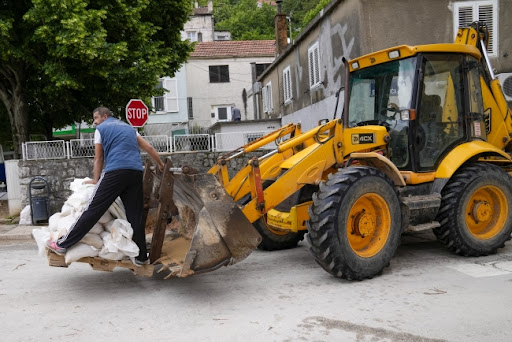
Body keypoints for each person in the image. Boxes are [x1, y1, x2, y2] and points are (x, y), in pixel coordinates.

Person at [47, 106, 164, 265]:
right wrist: (161, 165)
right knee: (134, 215)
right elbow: (148, 148)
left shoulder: (101, 129)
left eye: (96, 118)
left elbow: (98, 158)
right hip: (135, 172)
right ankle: (141, 257)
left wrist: (96, 179)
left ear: (104, 116)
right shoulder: (130, 128)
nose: (95, 122)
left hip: (115, 172)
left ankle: (62, 245)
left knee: (93, 209)